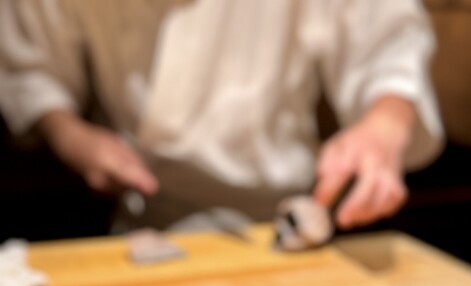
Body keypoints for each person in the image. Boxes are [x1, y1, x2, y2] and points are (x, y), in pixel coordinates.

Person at [0, 0, 443, 234]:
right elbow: (32, 69)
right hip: (143, 218)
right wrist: (71, 136)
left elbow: (389, 43)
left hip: (281, 215)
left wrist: (384, 124)